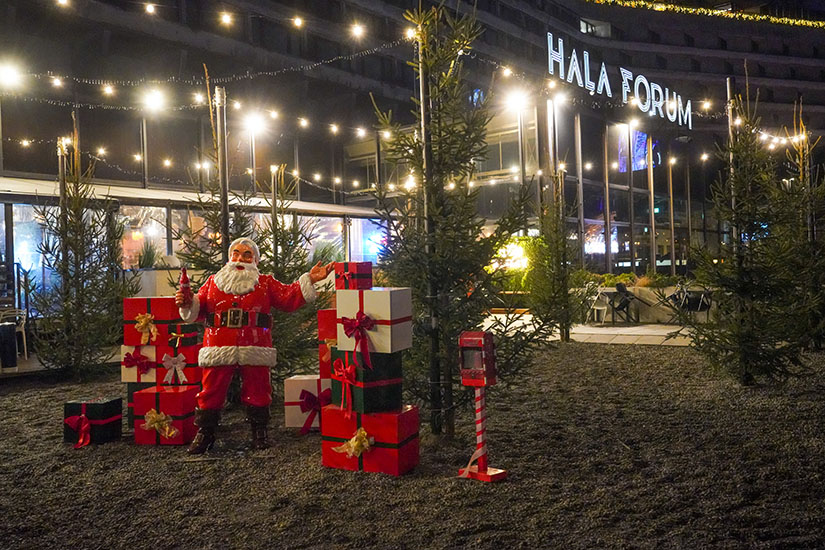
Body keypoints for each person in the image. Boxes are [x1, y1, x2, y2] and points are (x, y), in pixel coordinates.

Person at [175, 237, 333, 454]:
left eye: (247, 254)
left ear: (256, 260)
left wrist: (310, 279)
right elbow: (197, 309)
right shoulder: (213, 282)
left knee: (259, 387)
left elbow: (288, 297)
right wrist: (187, 302)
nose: (240, 258)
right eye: (236, 253)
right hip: (218, 345)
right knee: (211, 388)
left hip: (255, 344)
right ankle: (205, 432)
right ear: (230, 257)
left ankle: (260, 430)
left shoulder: (266, 283)